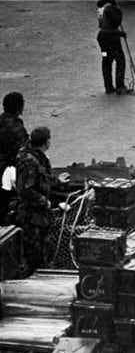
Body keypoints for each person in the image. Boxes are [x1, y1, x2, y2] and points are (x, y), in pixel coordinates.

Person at [13, 126, 69, 276]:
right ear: (46, 142)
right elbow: (25, 190)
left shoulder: (35, 156)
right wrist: (44, 201)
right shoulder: (30, 163)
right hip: (32, 216)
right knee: (35, 254)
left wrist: (56, 181)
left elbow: (42, 178)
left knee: (42, 250)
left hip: (38, 214)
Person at [96, 0, 130, 95]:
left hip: (102, 38)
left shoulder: (103, 7)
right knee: (120, 60)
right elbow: (115, 22)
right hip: (111, 39)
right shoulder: (111, 9)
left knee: (106, 60)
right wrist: (121, 34)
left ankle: (109, 87)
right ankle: (120, 86)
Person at [0, 91, 27, 222]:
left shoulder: (2, 120)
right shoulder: (16, 127)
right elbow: (23, 151)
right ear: (19, 107)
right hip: (9, 169)